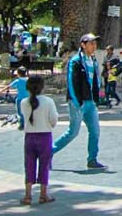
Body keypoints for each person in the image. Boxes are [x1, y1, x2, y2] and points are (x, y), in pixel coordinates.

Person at [52, 33, 105, 169]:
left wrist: (97, 97)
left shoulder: (93, 61)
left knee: (95, 131)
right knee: (73, 132)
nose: (94, 46)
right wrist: (76, 101)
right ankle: (49, 152)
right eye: (91, 43)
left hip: (91, 102)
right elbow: (71, 82)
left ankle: (92, 159)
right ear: (83, 44)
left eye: (95, 43)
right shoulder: (76, 61)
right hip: (78, 102)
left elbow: (95, 81)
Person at [20, 75, 58, 205]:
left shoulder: (24, 102)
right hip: (45, 135)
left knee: (29, 165)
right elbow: (53, 120)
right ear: (42, 87)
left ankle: (27, 195)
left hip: (29, 136)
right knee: (44, 165)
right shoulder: (48, 101)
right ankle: (43, 194)